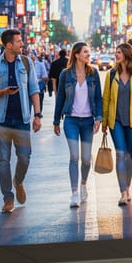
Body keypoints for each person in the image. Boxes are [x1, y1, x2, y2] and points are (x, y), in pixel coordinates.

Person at [0, 29, 42, 214]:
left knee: (24, 157)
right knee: (3, 161)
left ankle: (18, 181)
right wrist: (3, 92)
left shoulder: (26, 62)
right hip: (1, 120)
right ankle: (8, 198)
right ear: (9, 45)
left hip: (23, 119)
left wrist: (38, 115)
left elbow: (34, 89)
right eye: (18, 41)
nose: (22, 44)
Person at [53, 42, 103, 208]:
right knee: (74, 156)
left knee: (86, 159)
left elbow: (98, 98)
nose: (88, 55)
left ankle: (83, 184)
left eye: (89, 51)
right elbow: (60, 98)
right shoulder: (65, 74)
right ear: (76, 54)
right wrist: (56, 120)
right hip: (71, 120)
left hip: (88, 120)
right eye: (85, 52)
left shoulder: (93, 73)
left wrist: (98, 117)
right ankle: (74, 193)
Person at [101, 43, 132, 206]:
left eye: (119, 52)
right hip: (116, 121)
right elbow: (105, 99)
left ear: (127, 54)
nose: (116, 55)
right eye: (116, 52)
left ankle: (128, 187)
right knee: (121, 154)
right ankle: (123, 192)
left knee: (129, 154)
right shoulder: (111, 74)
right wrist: (104, 122)